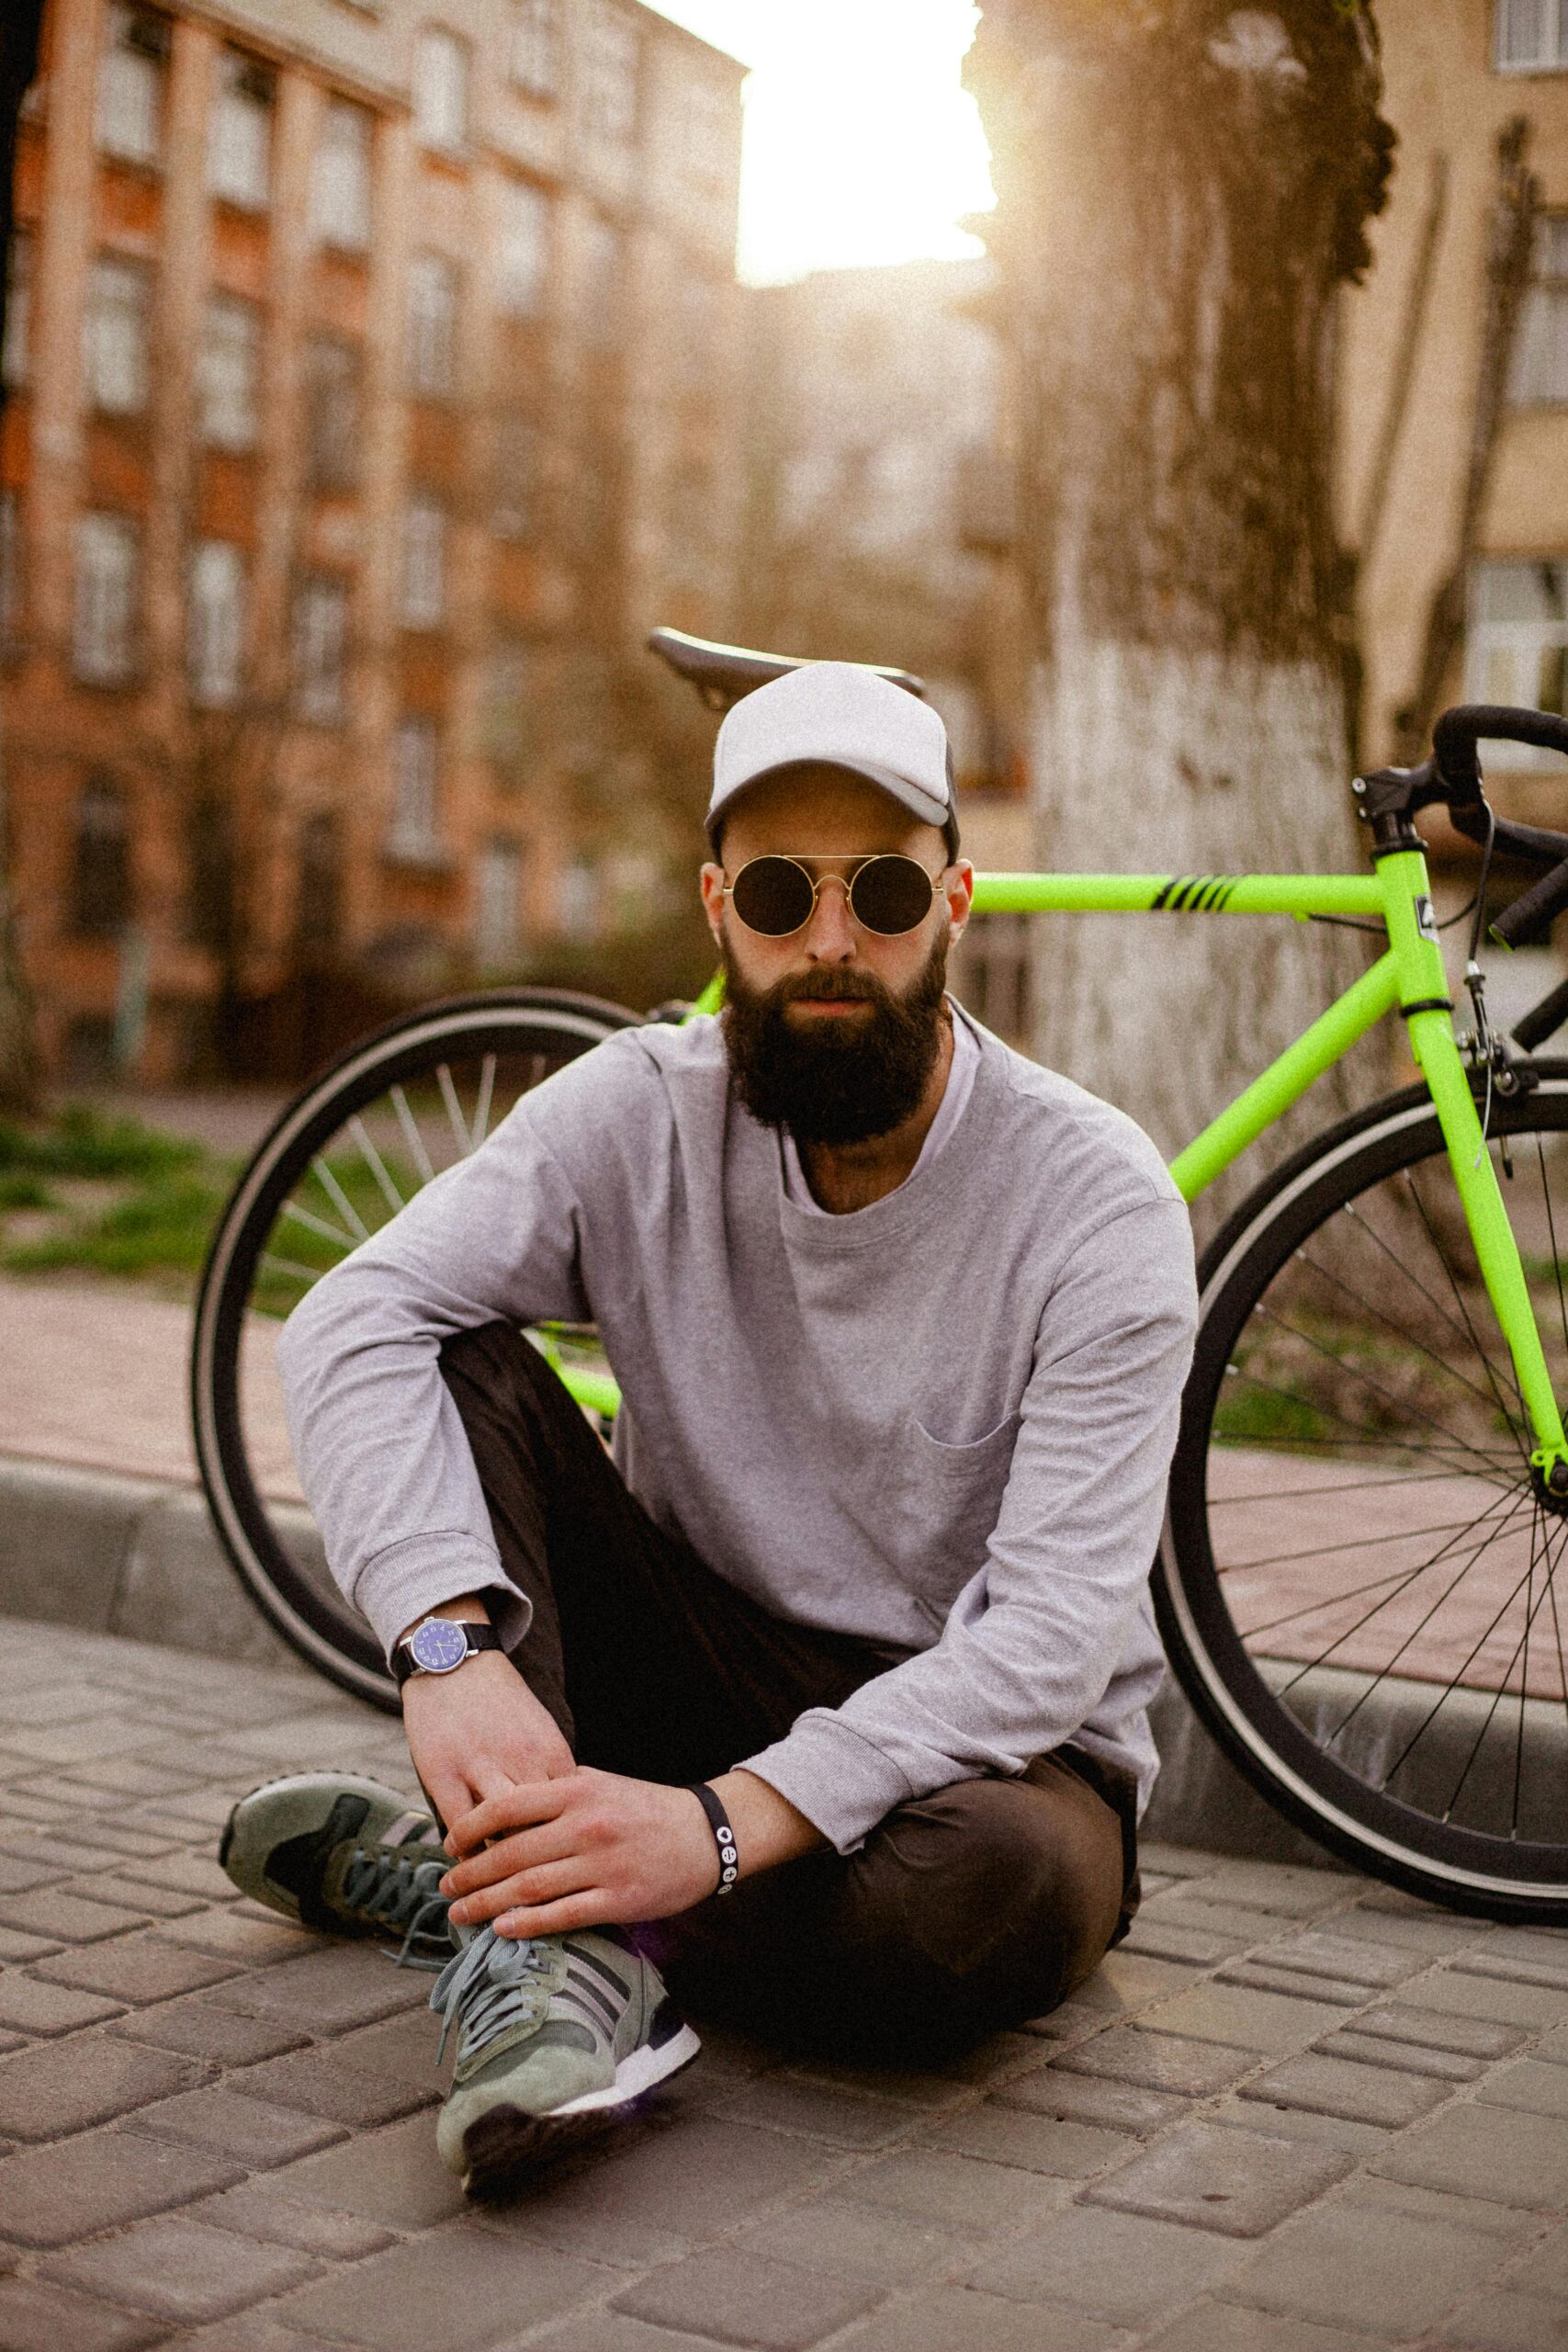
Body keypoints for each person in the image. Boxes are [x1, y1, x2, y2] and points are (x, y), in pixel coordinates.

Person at [220, 662, 1198, 2195]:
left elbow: (1051, 1647)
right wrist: (446, 1654)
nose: (829, 941)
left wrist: (724, 1830)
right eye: (776, 892)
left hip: (991, 1765)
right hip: (699, 1665)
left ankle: (510, 1893)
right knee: (449, 1336)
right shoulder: (635, 1109)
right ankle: (557, 1933)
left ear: (955, 903)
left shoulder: (1097, 1201)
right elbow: (353, 1316)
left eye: (879, 891)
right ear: (713, 904)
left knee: (972, 1916)